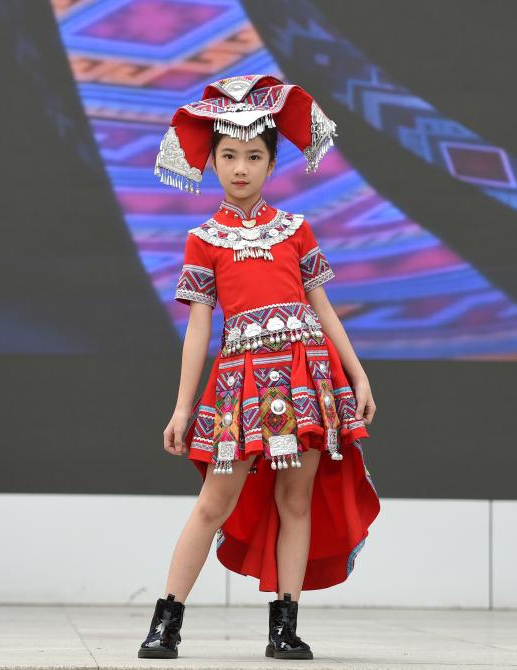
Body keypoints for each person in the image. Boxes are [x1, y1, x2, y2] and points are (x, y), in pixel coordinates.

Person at [138, 75, 381, 661]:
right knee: (213, 503)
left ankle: (284, 627)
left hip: (307, 379)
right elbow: (199, 328)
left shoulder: (296, 230)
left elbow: (323, 308)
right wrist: (182, 407)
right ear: (212, 161)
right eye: (228, 155)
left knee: (296, 501)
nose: (240, 167)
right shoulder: (203, 239)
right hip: (239, 387)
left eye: (253, 156)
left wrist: (357, 375)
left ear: (272, 163)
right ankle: (166, 623)